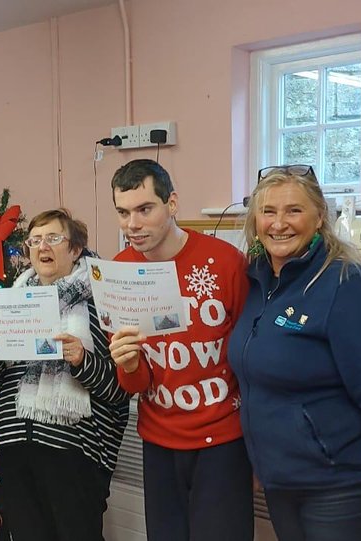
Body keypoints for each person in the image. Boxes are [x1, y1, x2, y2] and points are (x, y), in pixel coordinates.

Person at [226, 165, 361, 541]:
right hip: (280, 481)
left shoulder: (345, 285)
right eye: (268, 211)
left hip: (337, 485)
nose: (279, 223)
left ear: (319, 217)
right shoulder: (256, 281)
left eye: (294, 210)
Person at [106, 159, 254, 541]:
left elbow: (251, 358)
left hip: (222, 440)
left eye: (144, 209)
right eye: (123, 213)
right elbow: (134, 383)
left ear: (171, 203)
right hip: (158, 441)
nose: (133, 224)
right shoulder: (120, 270)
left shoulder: (224, 262)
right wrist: (129, 364)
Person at [0, 209, 129, 541]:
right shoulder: (11, 302)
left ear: (75, 249)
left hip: (73, 452)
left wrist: (82, 359)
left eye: (54, 238)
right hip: (15, 446)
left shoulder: (101, 304)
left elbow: (120, 390)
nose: (43, 247)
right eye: (35, 240)